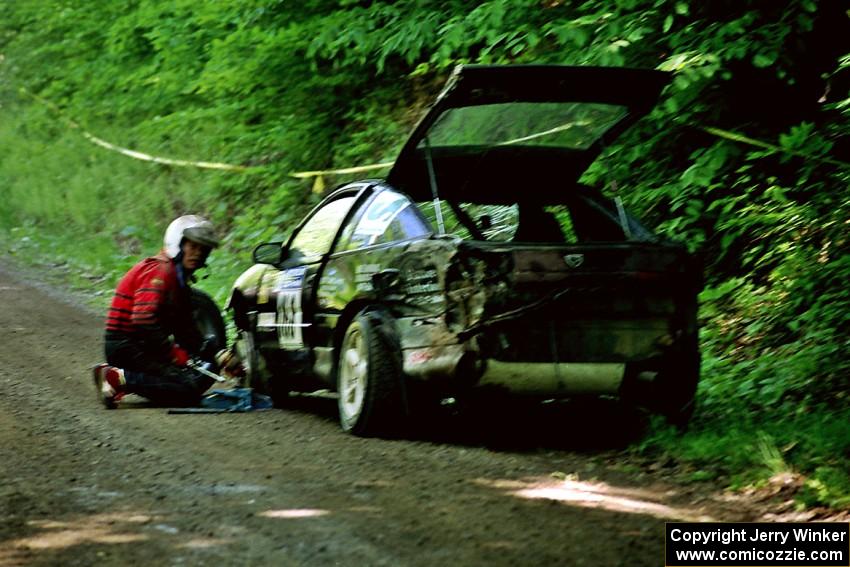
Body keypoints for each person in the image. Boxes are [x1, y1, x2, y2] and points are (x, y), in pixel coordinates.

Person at [93, 215, 223, 408]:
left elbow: (186, 329)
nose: (198, 253)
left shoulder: (179, 282)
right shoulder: (161, 271)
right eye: (193, 246)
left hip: (142, 345)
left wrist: (221, 355)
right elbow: (143, 319)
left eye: (203, 249)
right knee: (187, 390)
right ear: (178, 243)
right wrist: (171, 353)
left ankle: (121, 378)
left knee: (188, 382)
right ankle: (115, 377)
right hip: (126, 345)